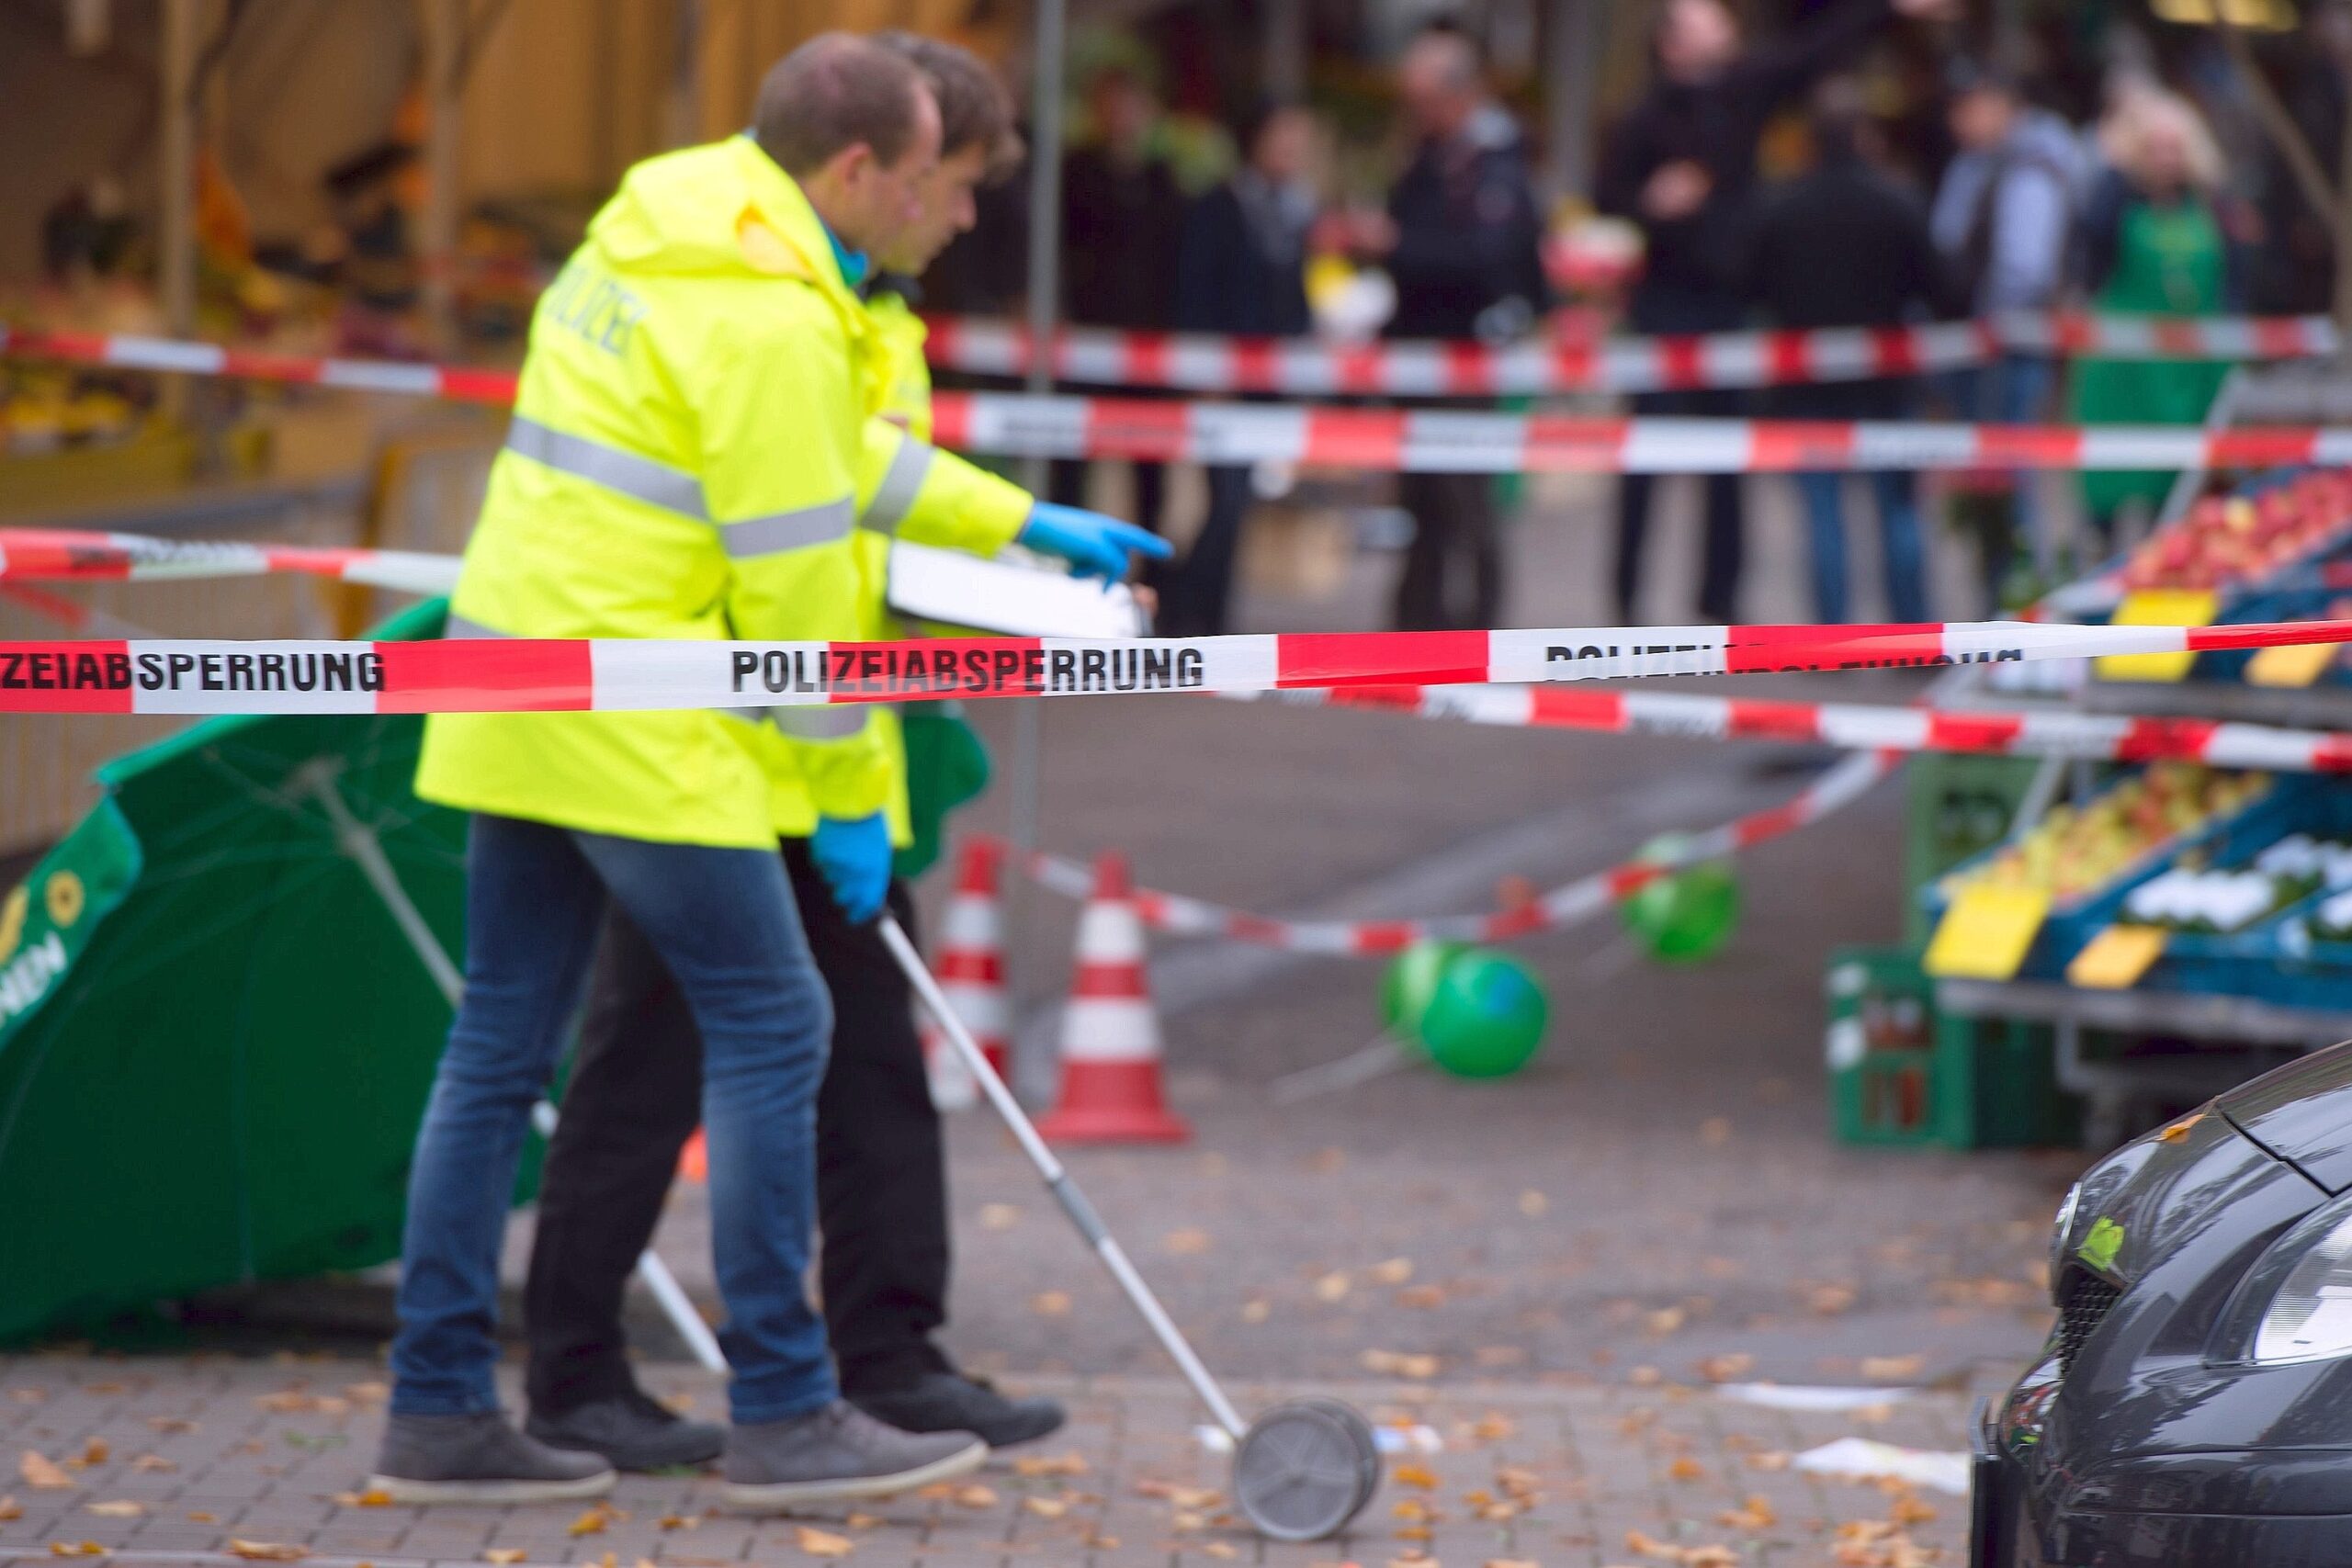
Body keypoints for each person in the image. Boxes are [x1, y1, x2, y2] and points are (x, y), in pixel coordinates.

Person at [368, 35, 1131, 1514]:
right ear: (857, 171)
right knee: (776, 1021)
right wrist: (847, 788)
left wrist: (1019, 522)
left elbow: (826, 454)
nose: (955, 218)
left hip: (511, 675)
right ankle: (786, 1407)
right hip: (638, 709)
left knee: (499, 1047)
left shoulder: (662, 219)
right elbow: (794, 603)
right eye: (939, 184)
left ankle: (439, 1403)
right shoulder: (777, 316)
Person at [1598, 0, 1942, 625]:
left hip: (1727, 304)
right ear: (1673, 43)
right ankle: (1626, 599)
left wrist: (1886, 11)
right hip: (1664, 307)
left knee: (1728, 464)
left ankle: (1721, 599)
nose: (1724, 26)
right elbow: (1607, 192)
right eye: (1707, 19)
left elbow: (1813, 53)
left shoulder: (1741, 93)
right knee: (1645, 459)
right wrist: (1648, 202)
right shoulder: (1641, 117)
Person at [1741, 80, 1952, 623]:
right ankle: (1910, 633)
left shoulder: (1783, 205)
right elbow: (1943, 288)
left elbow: (1748, 284)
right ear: (1864, 136)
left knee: (1823, 516)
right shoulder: (1897, 202)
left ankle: (1833, 642)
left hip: (1807, 386)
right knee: (1898, 511)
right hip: (1886, 385)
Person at [1363, 26, 1546, 631]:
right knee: (1421, 501)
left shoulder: (1492, 161)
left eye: (1425, 101)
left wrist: (1398, 244)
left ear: (1458, 93)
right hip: (1418, 352)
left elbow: (1485, 256)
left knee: (1467, 502)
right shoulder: (1429, 153)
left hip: (1467, 359)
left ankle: (1480, 631)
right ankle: (1417, 625)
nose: (1418, 114)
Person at [1931, 60, 2083, 605]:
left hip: (2004, 346)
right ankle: (2002, 599)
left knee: (2009, 479)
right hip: (1987, 343)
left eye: (1967, 109)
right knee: (1989, 481)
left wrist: (1986, 328)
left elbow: (2024, 268)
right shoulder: (1981, 163)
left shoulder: (2028, 168)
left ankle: (2020, 605)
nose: (1958, 122)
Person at [1167, 101, 1318, 635]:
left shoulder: (1295, 210)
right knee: (1226, 499)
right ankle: (1188, 613)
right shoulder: (1221, 207)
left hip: (1271, 382)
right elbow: (1196, 291)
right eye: (1283, 138)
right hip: (1225, 379)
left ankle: (1207, 614)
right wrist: (1206, 373)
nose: (1293, 151)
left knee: (1241, 500)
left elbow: (1295, 297)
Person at [2067, 89, 2240, 547]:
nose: (2165, 159)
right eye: (2154, 147)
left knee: (2179, 508)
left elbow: (2234, 280)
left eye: (2174, 147)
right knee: (2110, 500)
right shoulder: (2117, 200)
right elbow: (2087, 252)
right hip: (2124, 376)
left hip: (2189, 377)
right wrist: (2113, 170)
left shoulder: (2208, 204)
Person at [1053, 65, 1185, 539]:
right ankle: (1068, 555)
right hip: (1088, 333)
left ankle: (1152, 563)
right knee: (1070, 456)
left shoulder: (1161, 178)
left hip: (1147, 337)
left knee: (1150, 465)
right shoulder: (1074, 171)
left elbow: (1175, 258)